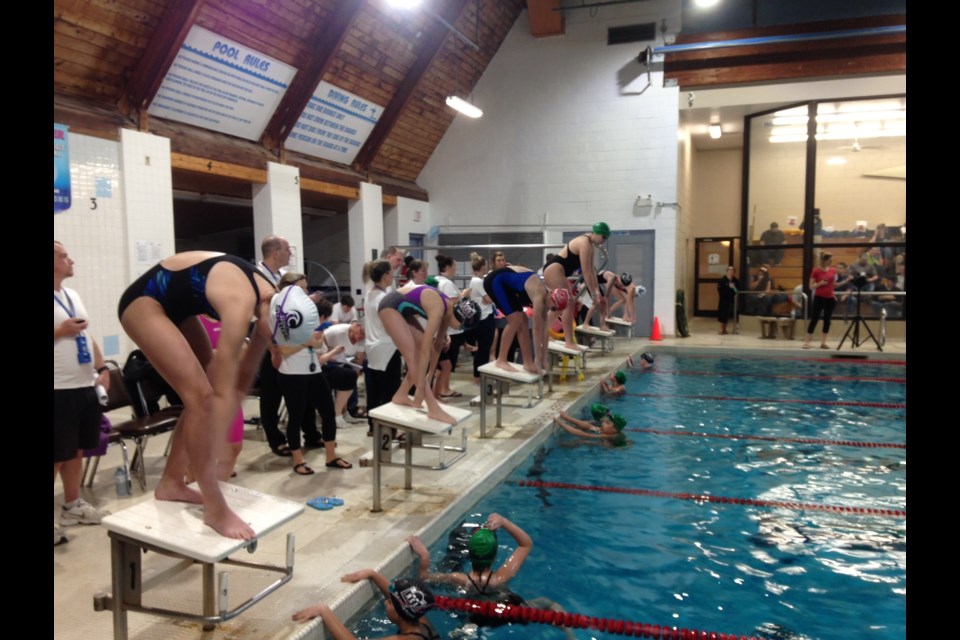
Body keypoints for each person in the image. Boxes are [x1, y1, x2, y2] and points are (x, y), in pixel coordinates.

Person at [117, 250, 318, 539]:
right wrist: (213, 443)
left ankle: (171, 484)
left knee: (204, 399)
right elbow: (224, 387)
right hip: (144, 303)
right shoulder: (240, 304)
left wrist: (227, 410)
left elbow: (245, 375)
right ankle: (215, 508)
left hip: (178, 306)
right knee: (202, 399)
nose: (272, 342)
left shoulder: (272, 303)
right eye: (274, 336)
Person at [54, 241, 110, 546]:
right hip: (57, 389)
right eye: (64, 256)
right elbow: (68, 331)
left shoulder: (71, 295)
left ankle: (72, 505)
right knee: (56, 455)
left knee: (76, 450)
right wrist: (61, 331)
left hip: (84, 385)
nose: (71, 260)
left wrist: (102, 370)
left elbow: (86, 334)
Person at [275, 273, 350, 474]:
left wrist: (312, 342)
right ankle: (298, 460)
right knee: (296, 416)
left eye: (306, 288)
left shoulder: (306, 314)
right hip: (292, 373)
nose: (306, 293)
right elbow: (283, 350)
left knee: (327, 411)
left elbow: (318, 343)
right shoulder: (281, 314)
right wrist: (305, 342)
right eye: (302, 288)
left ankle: (331, 456)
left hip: (314, 370)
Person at [378, 283, 481, 424]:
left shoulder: (449, 310)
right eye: (461, 326)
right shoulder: (438, 309)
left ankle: (401, 395)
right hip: (389, 307)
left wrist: (430, 375)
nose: (459, 329)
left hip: (403, 310)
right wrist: (420, 389)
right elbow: (426, 350)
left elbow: (437, 345)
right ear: (459, 318)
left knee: (419, 355)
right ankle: (433, 409)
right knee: (413, 357)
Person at [407, 513, 532, 609]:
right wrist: (504, 522)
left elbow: (424, 577)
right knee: (543, 603)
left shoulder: (459, 579)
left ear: (469, 554)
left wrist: (424, 555)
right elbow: (525, 544)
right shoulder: (502, 577)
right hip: (506, 606)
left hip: (475, 614)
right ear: (494, 556)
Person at [293, 570, 439, 640]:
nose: (385, 601)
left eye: (389, 603)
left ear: (400, 613)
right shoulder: (422, 622)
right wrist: (372, 574)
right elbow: (397, 597)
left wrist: (324, 610)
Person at [483, 264, 570, 375]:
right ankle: (501, 359)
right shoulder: (539, 296)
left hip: (507, 284)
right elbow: (536, 331)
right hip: (495, 281)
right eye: (553, 308)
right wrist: (537, 360)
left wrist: (544, 358)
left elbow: (544, 330)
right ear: (553, 300)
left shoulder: (546, 299)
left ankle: (527, 363)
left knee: (523, 320)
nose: (551, 311)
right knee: (515, 321)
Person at [542, 222, 609, 350]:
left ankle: (542, 332)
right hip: (554, 269)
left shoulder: (591, 245)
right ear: (596, 233)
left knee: (561, 306)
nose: (604, 241)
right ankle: (569, 341)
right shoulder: (585, 243)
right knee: (569, 302)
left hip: (558, 271)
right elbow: (586, 272)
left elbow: (592, 271)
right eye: (603, 237)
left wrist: (596, 291)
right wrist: (594, 293)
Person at [255, 235, 294, 458]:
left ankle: (297, 432)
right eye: (288, 249)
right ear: (275, 253)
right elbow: (260, 316)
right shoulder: (258, 276)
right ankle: (274, 438)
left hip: (285, 339)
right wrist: (272, 348)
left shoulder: (280, 277)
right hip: (265, 342)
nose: (291, 253)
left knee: (289, 387)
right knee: (271, 393)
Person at [363, 260, 403, 442]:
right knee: (389, 390)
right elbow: (390, 326)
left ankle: (373, 426)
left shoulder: (369, 294)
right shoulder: (382, 298)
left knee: (374, 389)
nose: (393, 275)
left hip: (372, 347)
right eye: (391, 272)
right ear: (386, 275)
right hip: (387, 347)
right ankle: (389, 429)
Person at [318, 321, 366, 434]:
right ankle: (337, 414)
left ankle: (344, 411)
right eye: (361, 333)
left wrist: (356, 371)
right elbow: (320, 353)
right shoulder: (335, 332)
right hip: (323, 366)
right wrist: (332, 354)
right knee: (348, 375)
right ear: (356, 326)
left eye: (364, 336)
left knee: (351, 375)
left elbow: (359, 360)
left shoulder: (363, 340)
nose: (361, 337)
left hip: (341, 363)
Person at [433, 255, 469, 399]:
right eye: (454, 266)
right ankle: (444, 389)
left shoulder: (436, 281)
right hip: (450, 330)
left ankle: (441, 389)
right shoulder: (447, 284)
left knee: (442, 364)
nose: (456, 269)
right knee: (447, 364)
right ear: (447, 267)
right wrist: (463, 295)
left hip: (442, 328)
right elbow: (451, 305)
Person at [466, 253, 495, 382]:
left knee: (483, 349)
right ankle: (478, 376)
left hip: (482, 317)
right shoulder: (478, 281)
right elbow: (488, 300)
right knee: (484, 349)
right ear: (483, 266)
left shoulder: (475, 280)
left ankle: (479, 375)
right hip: (484, 318)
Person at [803, 252, 838, 350]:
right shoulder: (816, 271)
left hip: (830, 298)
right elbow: (810, 286)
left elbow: (833, 285)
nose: (831, 261)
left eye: (831, 260)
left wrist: (846, 281)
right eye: (829, 260)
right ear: (824, 260)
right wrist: (820, 283)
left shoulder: (833, 270)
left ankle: (823, 342)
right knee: (815, 319)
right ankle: (807, 342)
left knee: (827, 320)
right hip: (819, 297)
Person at [555, 408, 627, 441]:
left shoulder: (607, 435)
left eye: (607, 423)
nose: (603, 423)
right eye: (605, 421)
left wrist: (561, 424)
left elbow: (582, 434)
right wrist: (566, 417)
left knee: (581, 442)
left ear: (614, 430)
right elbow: (588, 426)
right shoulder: (604, 430)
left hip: (608, 445)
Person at [717, 265, 740, 334]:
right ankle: (721, 328)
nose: (731, 272)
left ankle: (724, 328)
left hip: (732, 300)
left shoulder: (736, 281)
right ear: (727, 271)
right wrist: (727, 288)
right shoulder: (722, 280)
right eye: (729, 270)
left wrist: (733, 287)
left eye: (732, 270)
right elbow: (719, 289)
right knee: (722, 313)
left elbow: (737, 291)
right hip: (723, 299)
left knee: (728, 314)